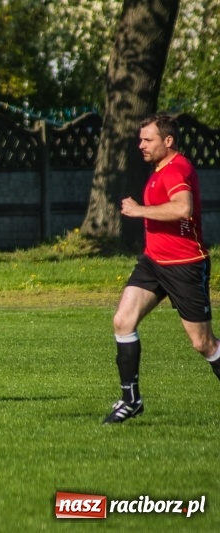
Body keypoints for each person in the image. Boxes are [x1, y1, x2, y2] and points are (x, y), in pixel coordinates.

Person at [104, 113, 220, 424]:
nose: (140, 144)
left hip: (184, 265)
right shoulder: (158, 169)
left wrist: (139, 210)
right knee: (123, 320)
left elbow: (183, 208)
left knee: (203, 344)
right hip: (154, 262)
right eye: (141, 139)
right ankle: (131, 400)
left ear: (168, 141)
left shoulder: (177, 168)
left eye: (148, 139)